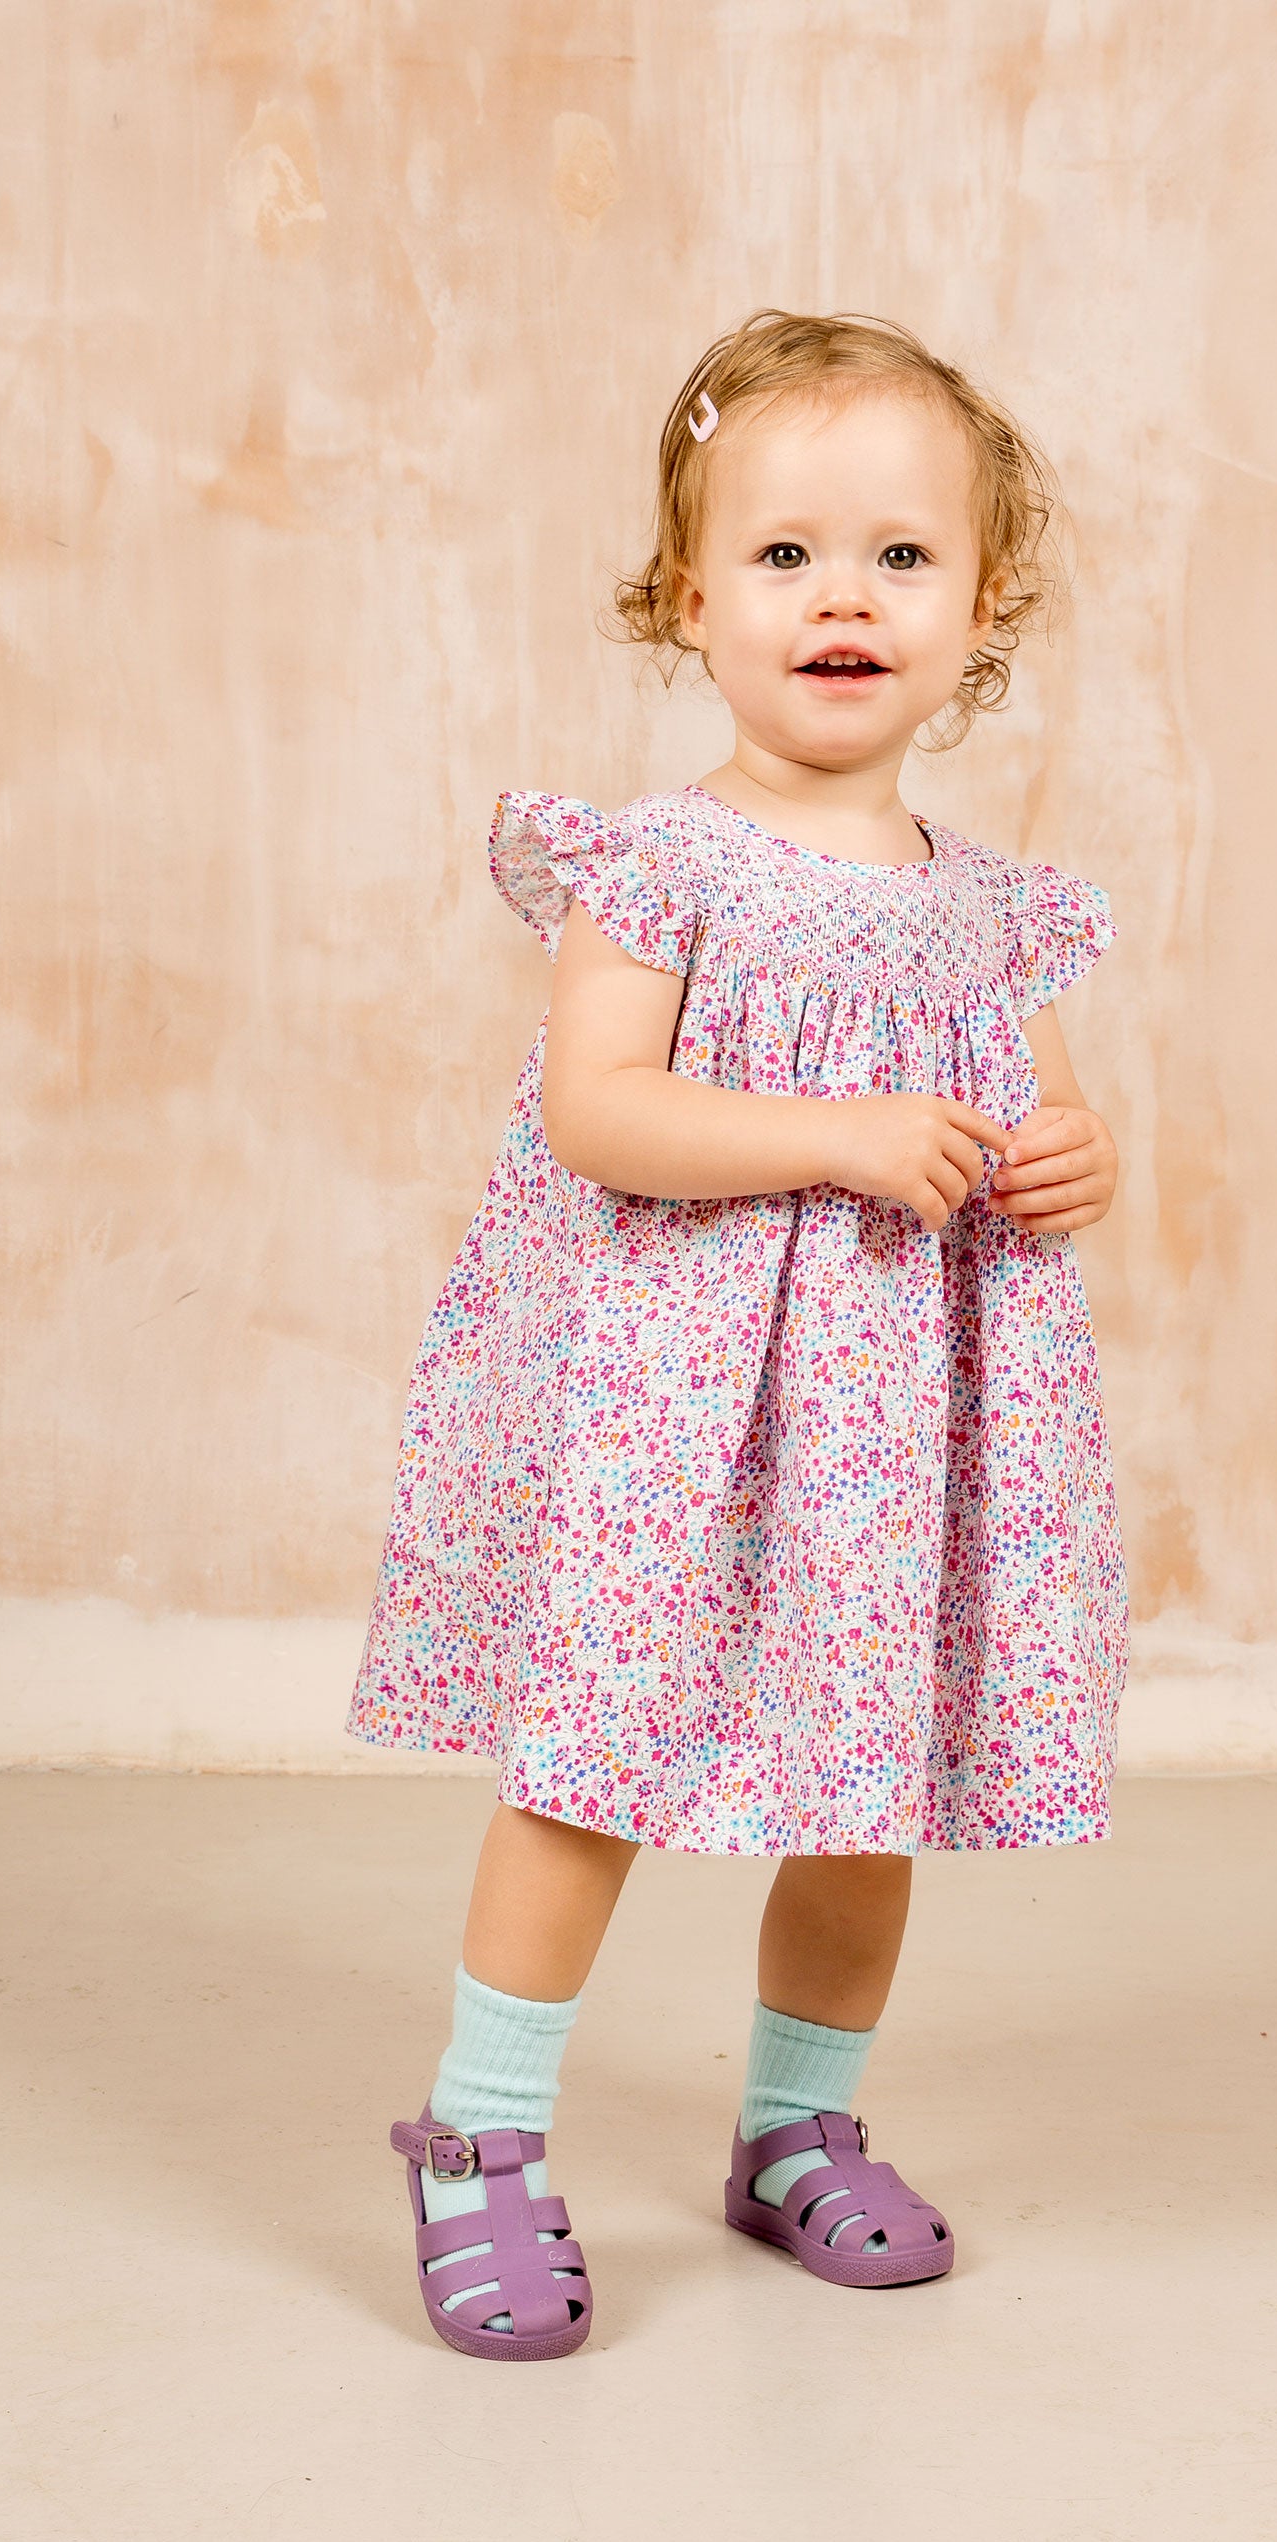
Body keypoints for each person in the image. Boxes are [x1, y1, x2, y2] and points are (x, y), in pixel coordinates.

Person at [347, 308, 1127, 2360]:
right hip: (676, 1413)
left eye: (896, 555)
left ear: (981, 606)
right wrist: (835, 1137)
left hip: (897, 1426)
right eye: (782, 555)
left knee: (860, 1789)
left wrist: (1066, 1158)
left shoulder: (991, 903)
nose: (841, 597)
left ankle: (797, 2123)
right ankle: (481, 2135)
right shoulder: (658, 864)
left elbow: (1032, 1107)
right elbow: (606, 1111)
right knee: (592, 1758)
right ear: (690, 599)